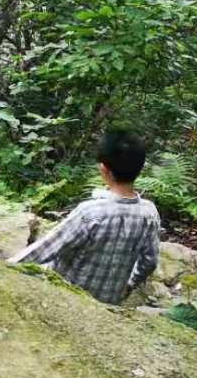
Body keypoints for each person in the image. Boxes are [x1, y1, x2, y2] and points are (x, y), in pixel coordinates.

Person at [11, 130, 162, 304]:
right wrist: (129, 284)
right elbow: (149, 262)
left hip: (66, 297)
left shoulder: (90, 213)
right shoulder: (149, 213)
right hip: (108, 302)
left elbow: (44, 250)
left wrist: (1, 267)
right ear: (140, 169)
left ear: (103, 169)